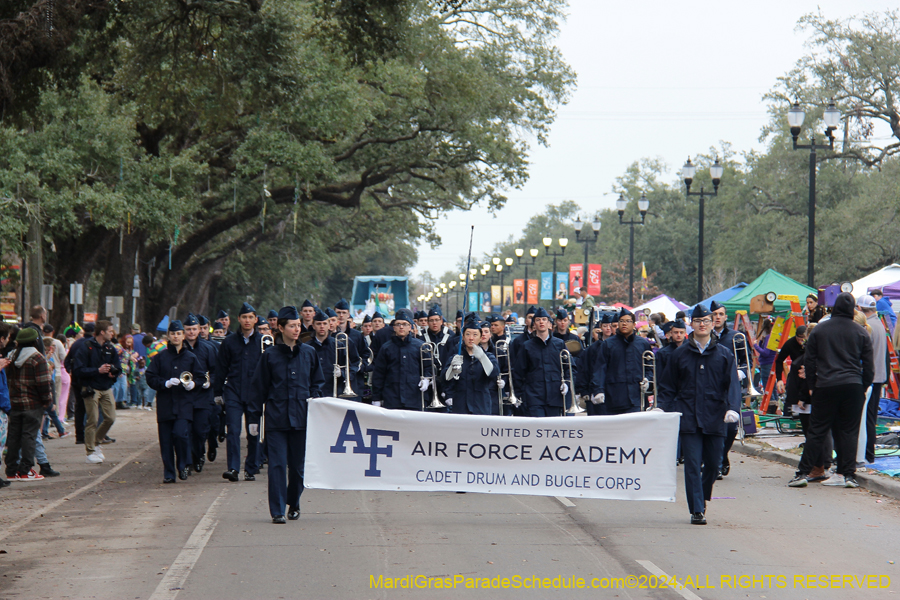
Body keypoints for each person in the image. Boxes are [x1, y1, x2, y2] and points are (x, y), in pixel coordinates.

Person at [657, 304, 741, 525]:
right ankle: (696, 509)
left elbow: (732, 384)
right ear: (690, 325)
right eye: (697, 321)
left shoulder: (724, 354)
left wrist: (733, 408)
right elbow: (668, 386)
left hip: (715, 416)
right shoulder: (680, 354)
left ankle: (701, 495)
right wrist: (661, 407)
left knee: (713, 464)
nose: (702, 325)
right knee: (692, 463)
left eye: (706, 321)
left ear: (713, 323)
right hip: (689, 415)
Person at [789, 292, 874, 489]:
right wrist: (864, 386)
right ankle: (848, 474)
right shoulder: (860, 332)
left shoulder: (820, 330)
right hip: (852, 385)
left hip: (826, 384)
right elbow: (868, 365)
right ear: (853, 309)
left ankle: (803, 472)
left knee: (817, 430)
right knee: (849, 431)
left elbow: (809, 360)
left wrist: (811, 385)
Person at [251, 306, 325, 523]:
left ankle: (294, 502)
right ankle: (277, 510)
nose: (296, 329)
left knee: (298, 468)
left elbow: (317, 382)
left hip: (302, 419)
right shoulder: (270, 356)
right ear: (281, 328)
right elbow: (259, 388)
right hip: (276, 419)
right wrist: (254, 419)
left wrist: (315, 398)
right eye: (292, 326)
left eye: (298, 325)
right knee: (276, 465)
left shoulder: (309, 353)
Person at [145, 320, 203, 482]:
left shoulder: (191, 357)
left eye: (178, 333)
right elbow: (150, 377)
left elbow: (200, 377)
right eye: (173, 334)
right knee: (166, 442)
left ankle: (183, 464)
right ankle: (169, 474)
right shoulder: (160, 358)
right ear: (168, 336)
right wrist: (165, 383)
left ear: (183, 336)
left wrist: (193, 384)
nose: (176, 337)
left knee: (181, 435)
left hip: (184, 405)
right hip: (165, 405)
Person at [215, 302, 264, 482]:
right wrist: (218, 392)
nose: (247, 320)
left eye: (251, 317)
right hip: (234, 392)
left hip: (255, 394)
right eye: (244, 317)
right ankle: (234, 468)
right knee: (233, 430)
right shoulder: (229, 342)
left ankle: (250, 468)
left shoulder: (263, 342)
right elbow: (221, 368)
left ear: (256, 319)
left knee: (253, 431)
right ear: (238, 319)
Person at [4, 326, 53, 481]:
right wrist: (47, 401)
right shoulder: (37, 358)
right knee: (29, 437)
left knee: (14, 437)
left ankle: (11, 470)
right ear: (36, 340)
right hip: (33, 404)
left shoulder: (10, 357)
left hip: (14, 403)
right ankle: (25, 470)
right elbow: (43, 384)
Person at [73, 321, 120, 464]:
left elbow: (118, 366)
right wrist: (97, 370)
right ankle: (90, 451)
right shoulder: (86, 347)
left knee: (110, 417)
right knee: (92, 419)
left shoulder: (110, 348)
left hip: (105, 386)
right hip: (91, 387)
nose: (112, 334)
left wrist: (114, 372)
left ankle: (96, 441)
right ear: (102, 332)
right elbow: (78, 370)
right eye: (110, 331)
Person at [589, 308, 651, 415]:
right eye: (621, 321)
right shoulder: (608, 344)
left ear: (634, 324)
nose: (624, 324)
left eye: (628, 321)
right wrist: (598, 390)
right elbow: (600, 368)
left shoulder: (642, 344)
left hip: (636, 397)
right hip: (614, 397)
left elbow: (650, 367)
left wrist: (648, 380)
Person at [513, 307, 571, 417]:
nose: (541, 322)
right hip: (534, 398)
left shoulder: (559, 344)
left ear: (550, 324)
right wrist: (521, 395)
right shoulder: (526, 346)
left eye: (544, 319)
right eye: (538, 320)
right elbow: (518, 373)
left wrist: (567, 384)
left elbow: (570, 367)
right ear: (534, 325)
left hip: (555, 396)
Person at [370, 309, 431, 410]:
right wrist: (377, 397)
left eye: (404, 324)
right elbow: (379, 374)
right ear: (394, 328)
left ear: (410, 327)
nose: (401, 327)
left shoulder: (420, 346)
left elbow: (428, 366)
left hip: (415, 397)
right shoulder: (386, 348)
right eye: (398, 324)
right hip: (392, 398)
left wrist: (427, 379)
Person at [442, 319, 500, 415]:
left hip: (481, 405)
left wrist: (482, 358)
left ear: (481, 337)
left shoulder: (489, 357)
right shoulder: (456, 356)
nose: (471, 338)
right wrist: (452, 369)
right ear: (463, 337)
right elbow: (445, 380)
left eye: (475, 334)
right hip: (460, 406)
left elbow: (494, 374)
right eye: (468, 334)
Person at [183, 314, 219, 472]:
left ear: (199, 330)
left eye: (194, 329)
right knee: (186, 431)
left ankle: (199, 455)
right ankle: (188, 460)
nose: (191, 332)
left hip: (203, 396)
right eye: (188, 329)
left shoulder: (208, 348)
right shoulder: (179, 348)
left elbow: (217, 371)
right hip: (184, 396)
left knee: (200, 430)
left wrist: (210, 381)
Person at [858, 295, 888, 465]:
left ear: (860, 309)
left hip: (869, 377)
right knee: (871, 417)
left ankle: (867, 453)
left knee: (866, 418)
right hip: (878, 376)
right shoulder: (880, 325)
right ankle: (869, 453)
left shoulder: (868, 327)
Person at [306, 309, 359, 397]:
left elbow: (351, 367)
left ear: (329, 325)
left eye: (325, 323)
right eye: (319, 324)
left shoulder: (338, 345)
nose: (322, 326)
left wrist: (341, 373)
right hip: (313, 393)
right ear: (313, 326)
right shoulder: (307, 348)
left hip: (334, 392)